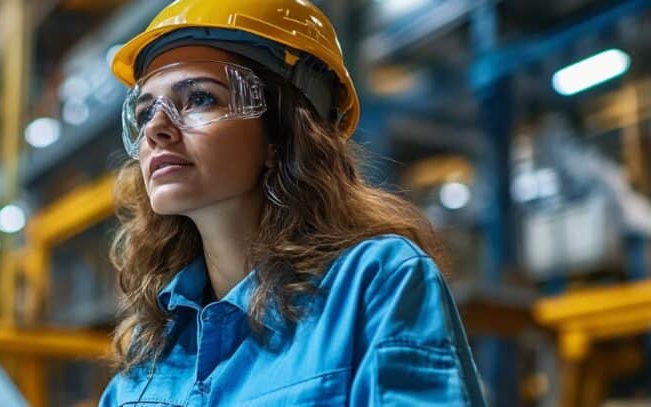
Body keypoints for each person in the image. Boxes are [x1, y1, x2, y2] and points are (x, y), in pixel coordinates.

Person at [99, 0, 486, 405]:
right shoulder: (152, 350)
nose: (157, 128)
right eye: (144, 113)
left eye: (199, 98)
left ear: (282, 132)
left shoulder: (374, 284)